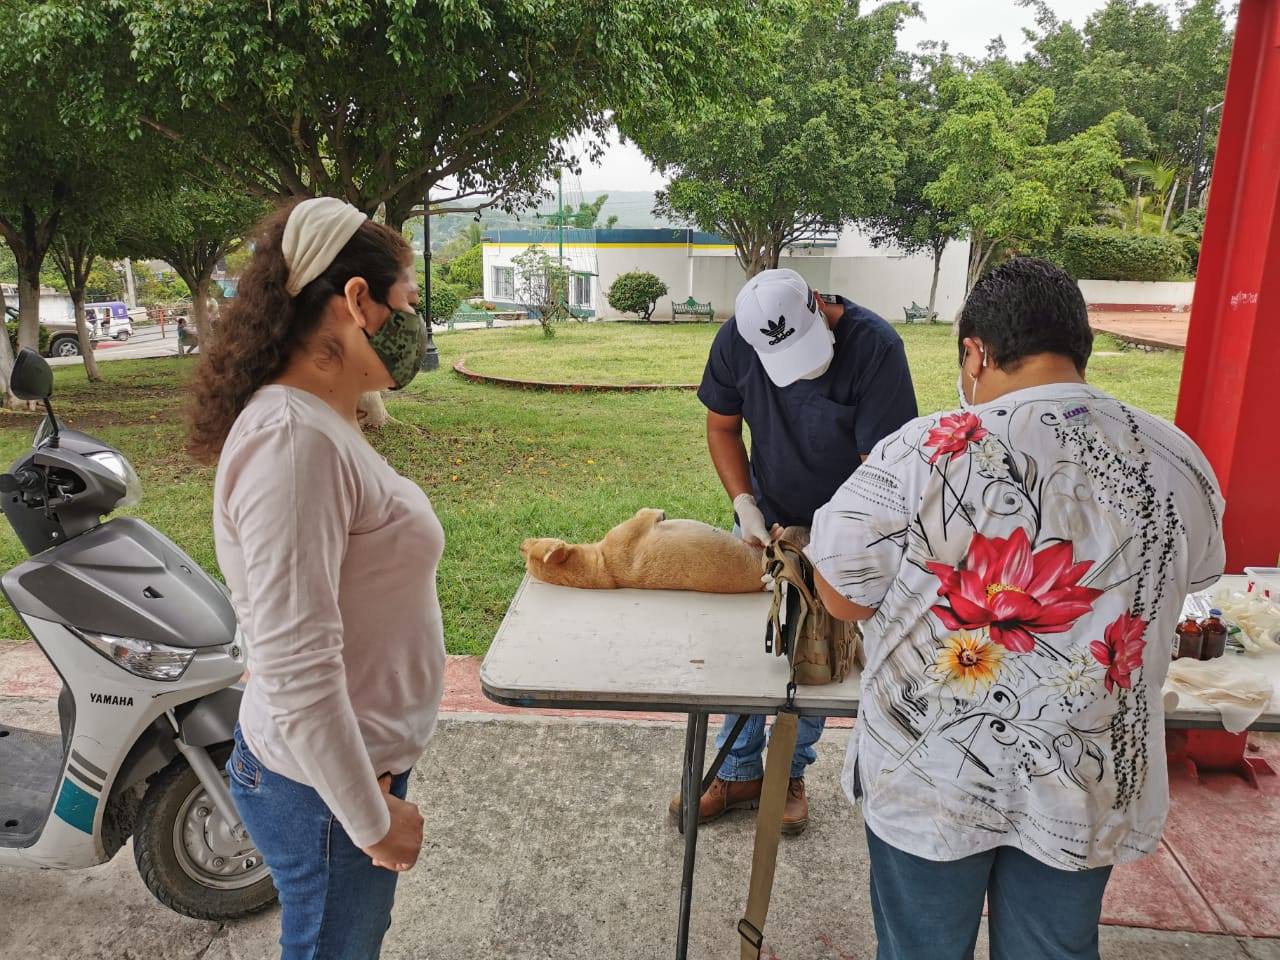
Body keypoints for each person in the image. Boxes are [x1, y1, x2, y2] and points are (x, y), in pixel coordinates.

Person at [807, 257, 1225, 960]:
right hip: (1084, 779)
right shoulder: (1176, 458)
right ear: (1079, 349)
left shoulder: (921, 451)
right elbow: (1201, 575)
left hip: (933, 774)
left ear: (977, 352)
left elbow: (843, 596)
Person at [188, 197, 438, 960]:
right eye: (407, 301)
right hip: (326, 794)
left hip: (341, 777)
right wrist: (371, 819)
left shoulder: (322, 422)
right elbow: (296, 666)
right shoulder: (292, 442)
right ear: (357, 302)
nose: (415, 322)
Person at [673, 267, 917, 833]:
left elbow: (883, 474)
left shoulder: (876, 349)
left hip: (849, 527)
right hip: (771, 514)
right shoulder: (738, 339)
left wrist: (832, 544)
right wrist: (744, 505)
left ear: (817, 305)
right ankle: (736, 772)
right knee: (750, 649)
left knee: (818, 658)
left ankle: (788, 772)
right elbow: (723, 427)